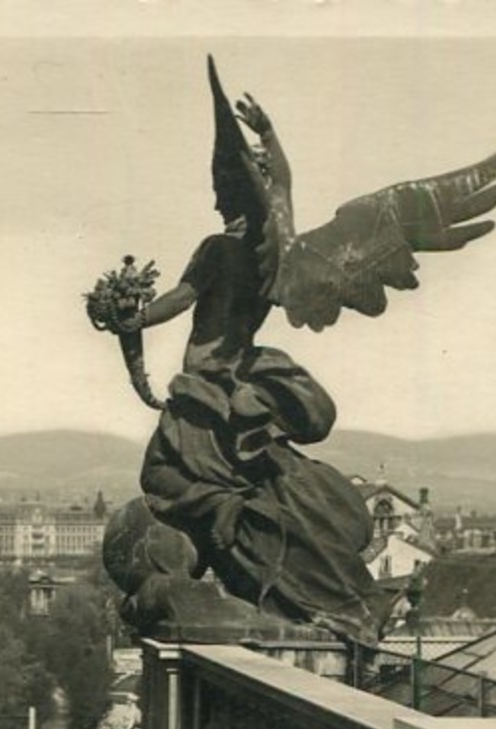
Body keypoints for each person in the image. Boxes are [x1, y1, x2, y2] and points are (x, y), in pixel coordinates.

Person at [125, 92, 394, 645]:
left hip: (207, 390)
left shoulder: (220, 249)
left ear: (229, 193)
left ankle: (250, 559)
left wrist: (132, 316)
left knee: (165, 478)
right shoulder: (277, 258)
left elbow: (179, 298)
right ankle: (323, 589)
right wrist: (270, 136)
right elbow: (284, 193)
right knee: (270, 491)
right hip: (243, 385)